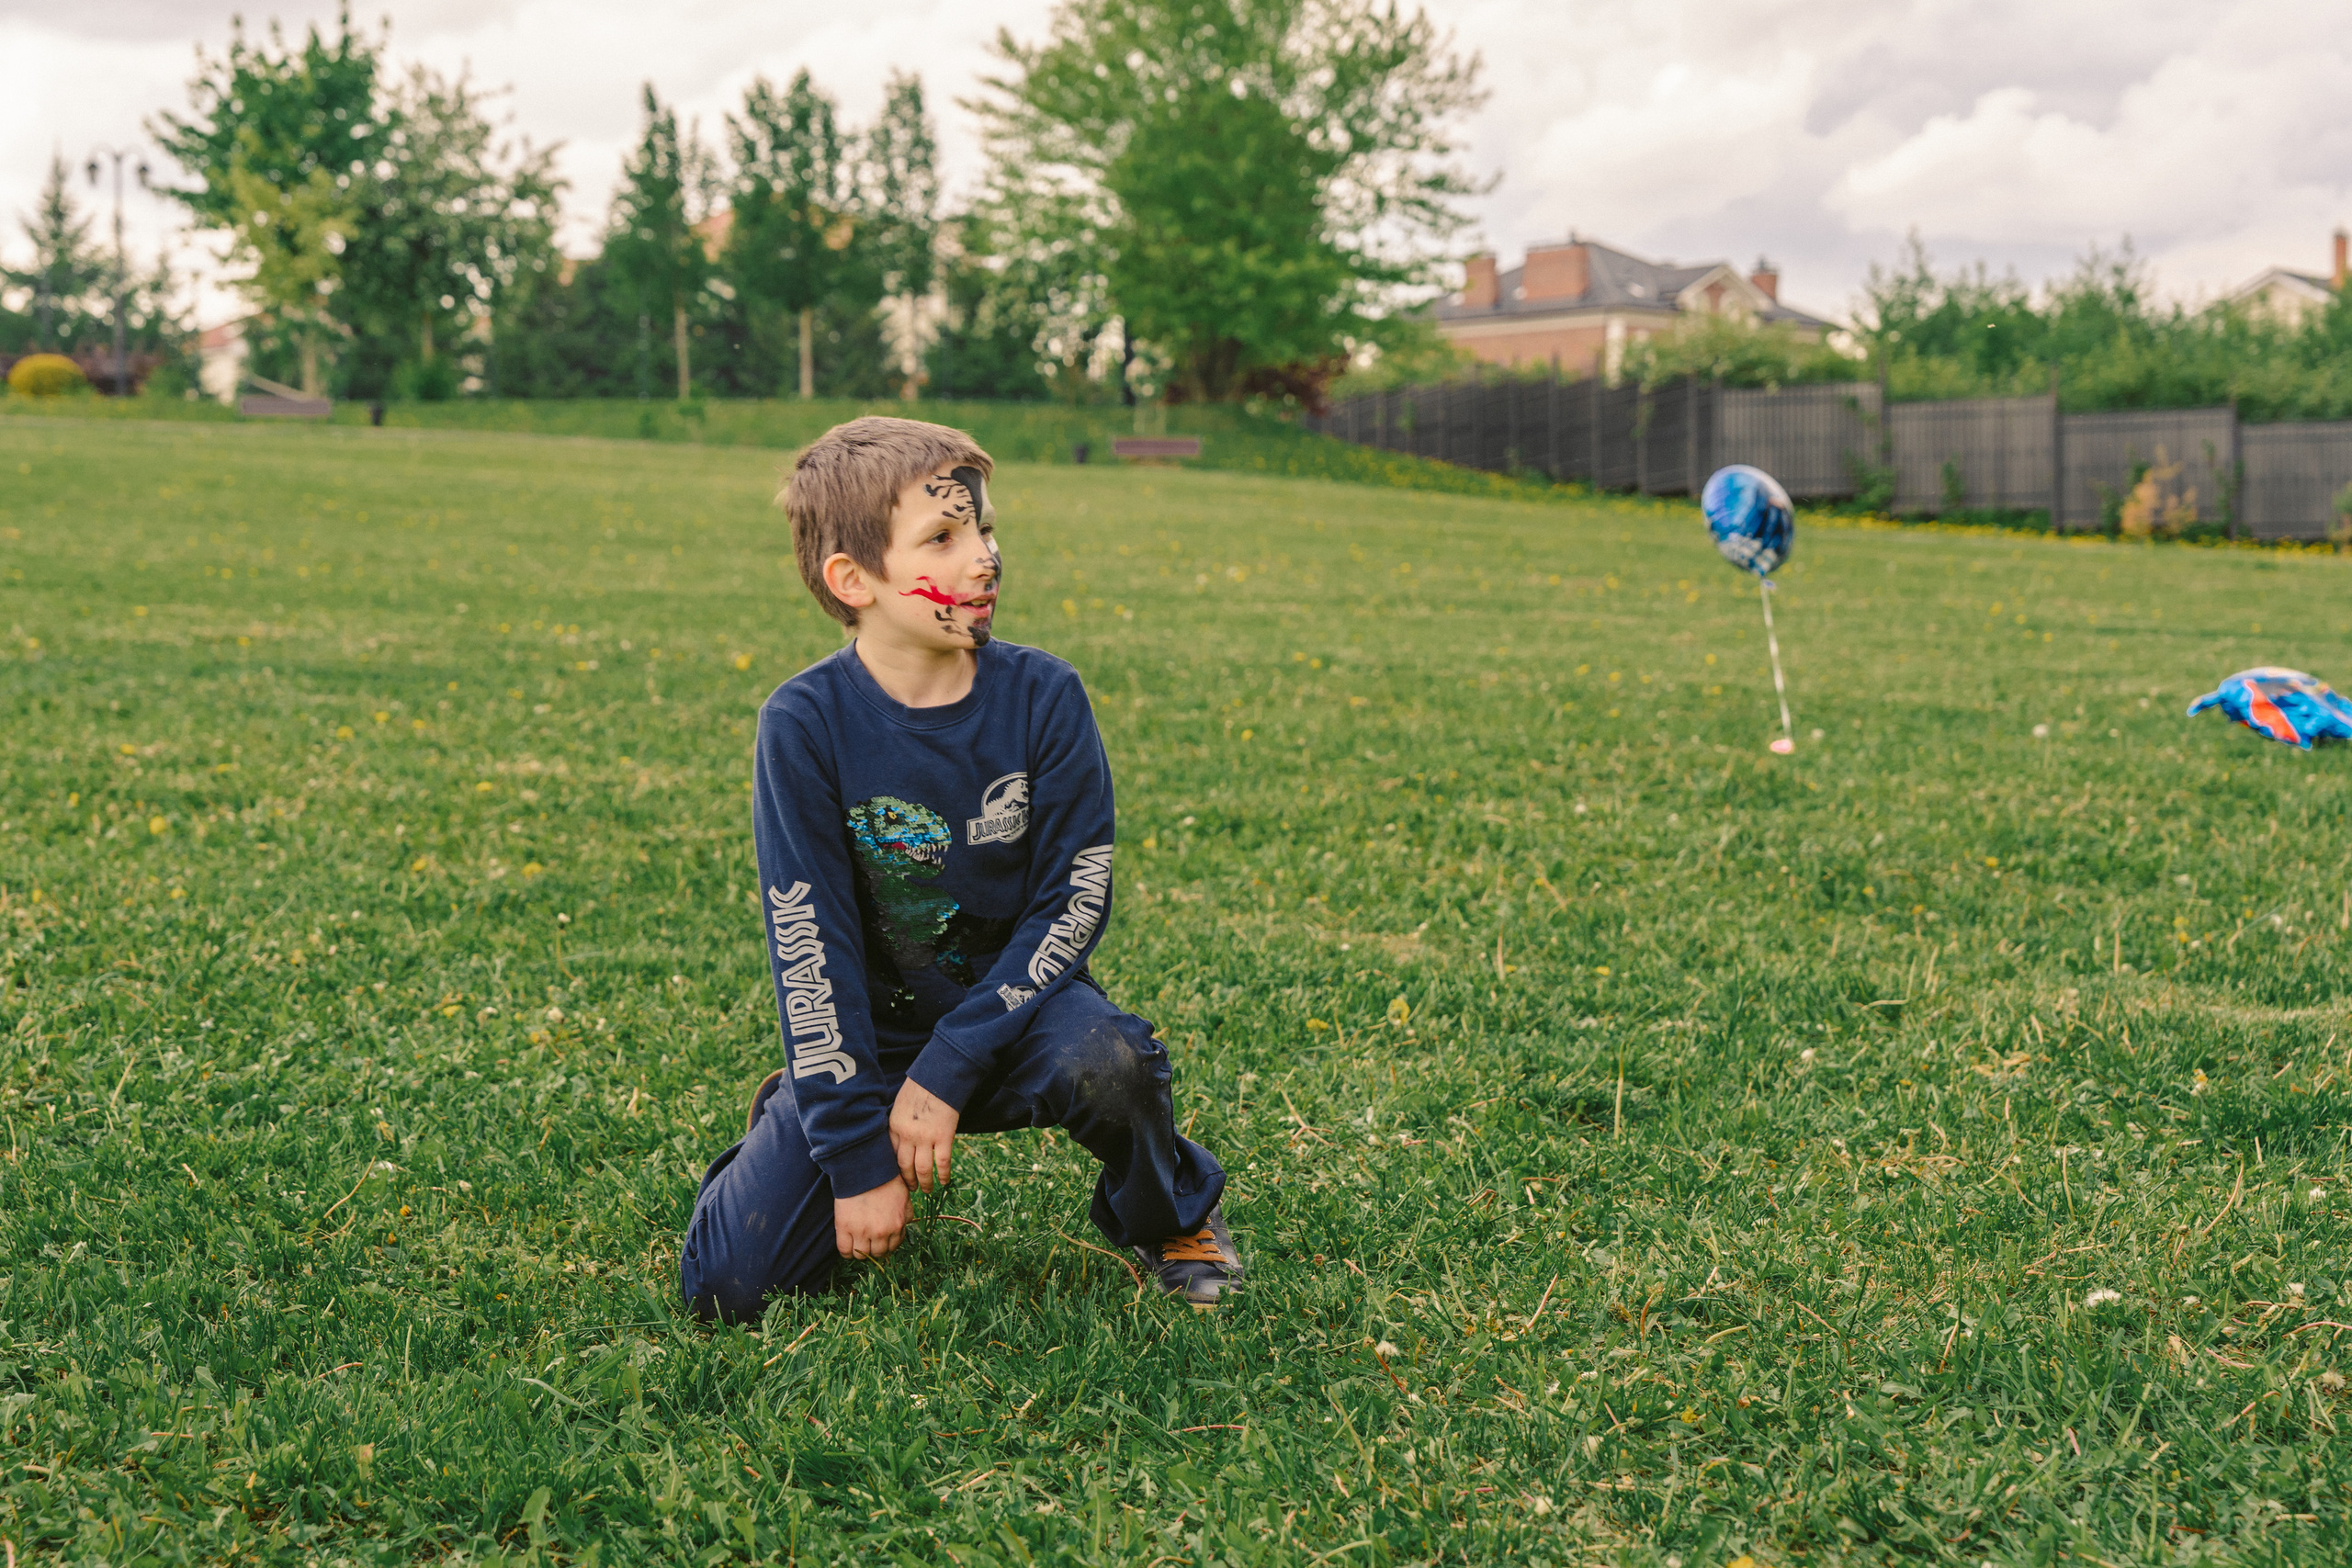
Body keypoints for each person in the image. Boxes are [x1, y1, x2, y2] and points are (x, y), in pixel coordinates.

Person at [679, 416, 1238, 1321]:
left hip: (1019, 1019)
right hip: (868, 1042)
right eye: (943, 537)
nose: (983, 557)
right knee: (727, 1292)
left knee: (1111, 1059)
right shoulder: (804, 724)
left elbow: (1073, 902)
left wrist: (949, 1067)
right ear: (853, 580)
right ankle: (801, 1121)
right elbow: (808, 951)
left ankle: (1169, 1217)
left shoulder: (1043, 696)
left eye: (982, 526)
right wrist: (856, 1160)